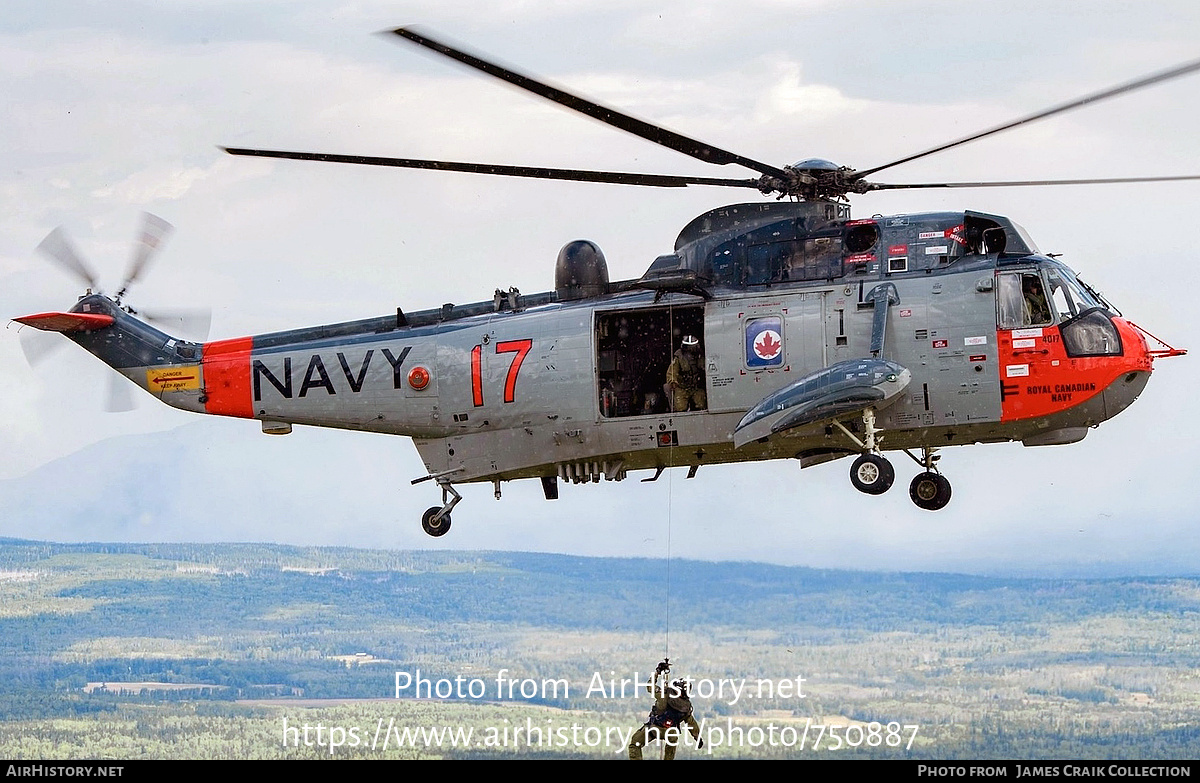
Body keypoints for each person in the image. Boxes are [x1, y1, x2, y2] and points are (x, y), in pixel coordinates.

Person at [628, 659, 704, 760]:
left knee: (635, 743)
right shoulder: (686, 707)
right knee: (672, 741)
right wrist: (697, 738)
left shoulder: (664, 695)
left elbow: (650, 687)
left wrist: (657, 672)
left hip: (654, 728)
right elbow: (691, 724)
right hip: (671, 734)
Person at [665, 335, 707, 412]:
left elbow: (705, 368)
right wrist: (672, 381)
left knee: (701, 404)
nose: (691, 349)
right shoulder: (679, 357)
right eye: (689, 347)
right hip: (682, 387)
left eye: (693, 346)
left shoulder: (701, 356)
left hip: (696, 387)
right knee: (680, 407)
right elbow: (672, 371)